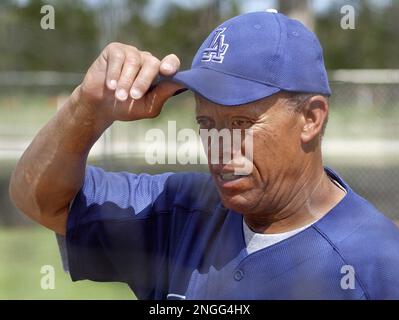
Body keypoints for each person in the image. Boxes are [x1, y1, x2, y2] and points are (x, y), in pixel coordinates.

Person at [9, 11, 399, 299]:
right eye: (207, 125)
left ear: (311, 118)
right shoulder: (179, 211)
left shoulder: (377, 265)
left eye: (241, 123)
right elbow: (42, 201)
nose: (220, 149)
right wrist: (88, 106)